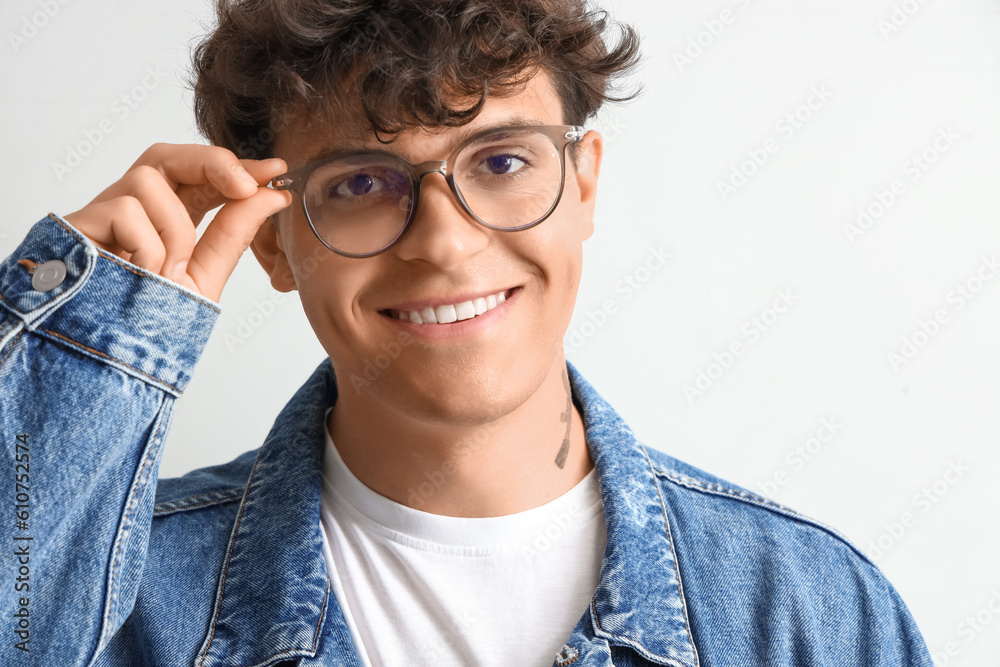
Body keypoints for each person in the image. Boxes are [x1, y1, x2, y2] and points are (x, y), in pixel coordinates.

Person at [0, 1, 934, 665]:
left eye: (501, 161)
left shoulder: (809, 609)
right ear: (274, 243)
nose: (447, 244)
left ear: (586, 183)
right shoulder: (114, 605)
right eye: (361, 183)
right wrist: (66, 343)